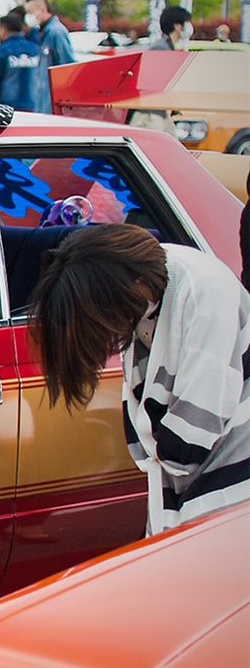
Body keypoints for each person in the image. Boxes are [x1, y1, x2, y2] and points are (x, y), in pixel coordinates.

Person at [29, 225, 250, 534]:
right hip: (188, 468)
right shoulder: (147, 290)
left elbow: (194, 433)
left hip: (232, 469)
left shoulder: (206, 293)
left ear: (138, 284)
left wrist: (164, 451)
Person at [0, 12, 51, 112]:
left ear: (3, 29)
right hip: (35, 105)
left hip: (8, 108)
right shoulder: (36, 49)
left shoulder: (1, 52)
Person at [23, 0, 75, 69]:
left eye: (30, 12)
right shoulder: (42, 32)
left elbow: (65, 65)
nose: (28, 16)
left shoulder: (56, 32)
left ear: (43, 10)